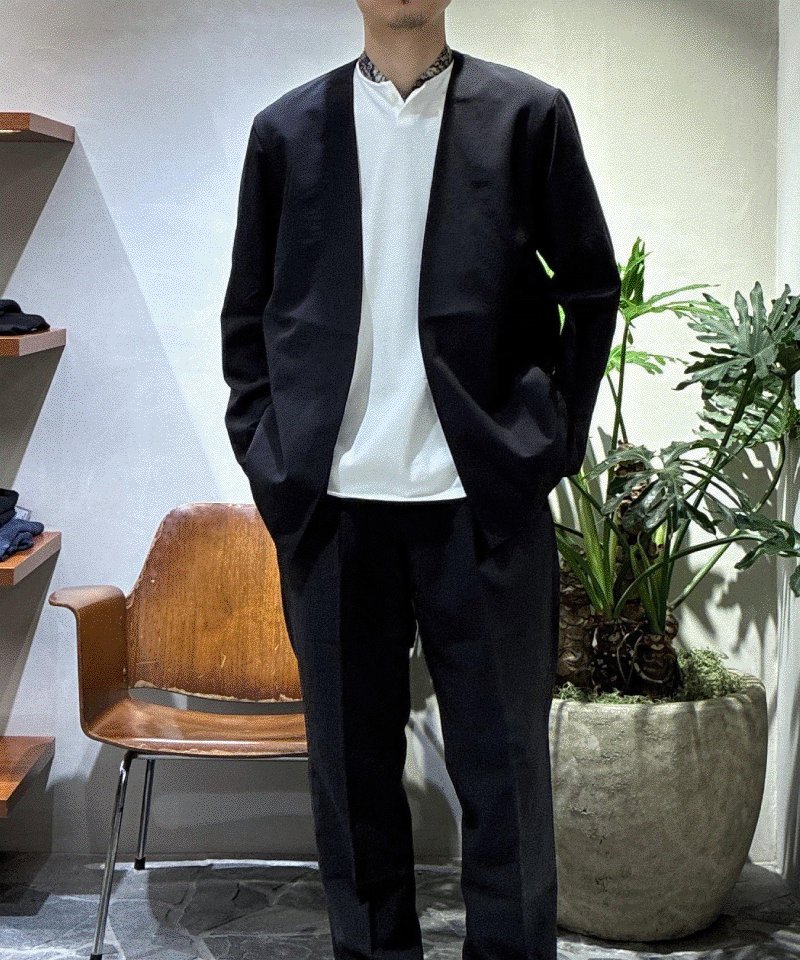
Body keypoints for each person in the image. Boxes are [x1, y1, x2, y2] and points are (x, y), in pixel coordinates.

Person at [220, 1, 620, 957]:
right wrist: (271, 454)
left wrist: (547, 443)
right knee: (352, 783)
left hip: (481, 506)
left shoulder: (527, 116)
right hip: (333, 508)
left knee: (506, 778)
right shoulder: (287, 131)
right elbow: (248, 315)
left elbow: (591, 287)